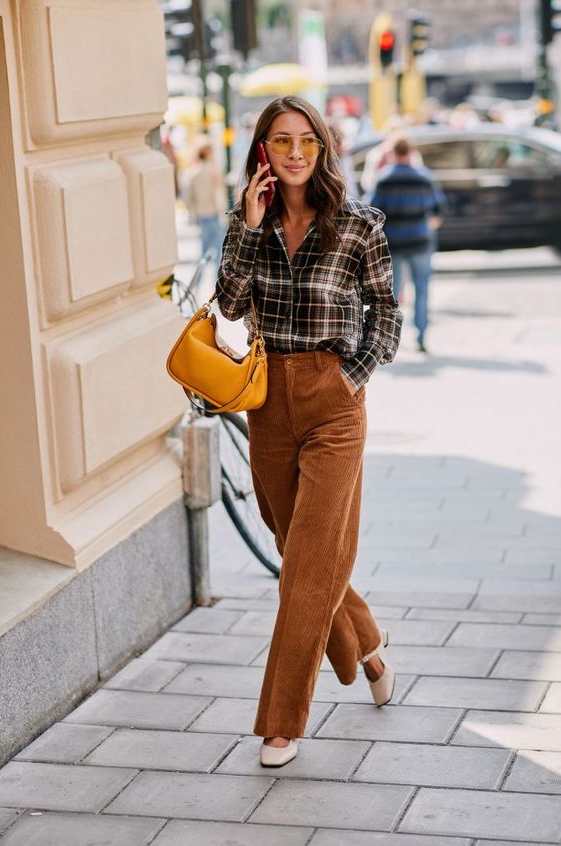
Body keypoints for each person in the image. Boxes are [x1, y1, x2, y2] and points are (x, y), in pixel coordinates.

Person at [216, 96, 403, 768]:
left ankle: (280, 723)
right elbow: (231, 306)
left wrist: (350, 376)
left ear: (322, 150)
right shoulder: (252, 225)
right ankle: (368, 648)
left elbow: (386, 314)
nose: (295, 154)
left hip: (332, 403)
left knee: (307, 563)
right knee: (302, 554)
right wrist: (246, 225)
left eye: (307, 142)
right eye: (281, 141)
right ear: (263, 151)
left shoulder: (358, 227)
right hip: (267, 404)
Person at [371, 136, 444, 353]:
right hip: (420, 241)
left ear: (393, 153)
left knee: (392, 294)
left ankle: (387, 341)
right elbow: (439, 208)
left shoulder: (384, 179)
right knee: (422, 289)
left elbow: (374, 210)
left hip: (393, 242)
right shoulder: (424, 177)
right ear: (411, 153)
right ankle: (421, 336)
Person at [185, 138, 226, 268]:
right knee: (219, 254)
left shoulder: (192, 172)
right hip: (214, 215)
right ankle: (217, 285)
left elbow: (188, 197)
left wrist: (192, 213)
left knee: (203, 254)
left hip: (201, 216)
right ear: (207, 152)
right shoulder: (213, 170)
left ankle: (197, 284)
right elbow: (219, 194)